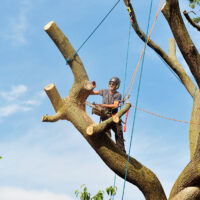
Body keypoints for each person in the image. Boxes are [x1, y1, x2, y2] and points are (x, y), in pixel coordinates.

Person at [91, 77, 126, 153]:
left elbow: (115, 105)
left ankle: (122, 152)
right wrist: (91, 88)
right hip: (105, 116)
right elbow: (92, 93)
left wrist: (103, 105)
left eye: (113, 84)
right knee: (106, 134)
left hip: (114, 116)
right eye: (110, 83)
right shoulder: (104, 91)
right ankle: (108, 149)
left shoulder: (118, 95)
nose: (111, 85)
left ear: (117, 85)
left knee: (118, 133)